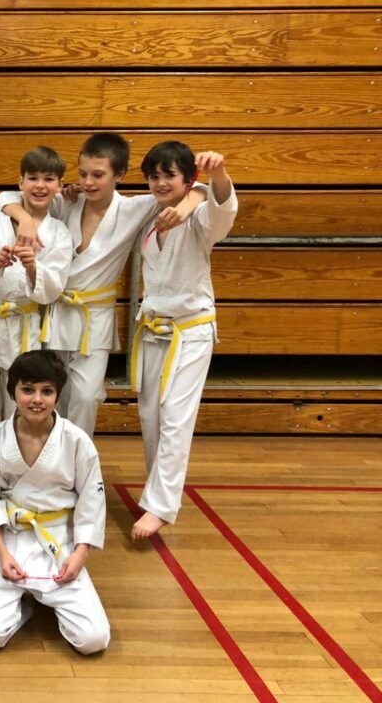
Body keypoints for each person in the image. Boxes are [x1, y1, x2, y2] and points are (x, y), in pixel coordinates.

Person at [0, 133, 203, 437]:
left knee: (86, 397)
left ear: (119, 174)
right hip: (53, 314)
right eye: (82, 174)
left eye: (98, 175)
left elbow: (199, 189)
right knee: (52, 396)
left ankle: (78, 462)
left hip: (94, 319)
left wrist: (187, 206)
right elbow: (5, 197)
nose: (88, 182)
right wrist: (24, 219)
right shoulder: (67, 203)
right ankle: (47, 459)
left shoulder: (135, 208)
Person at [130, 143, 237, 541]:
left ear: (187, 179)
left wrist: (216, 176)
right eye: (154, 176)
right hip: (153, 329)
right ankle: (155, 491)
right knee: (151, 417)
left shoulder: (199, 220)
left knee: (176, 417)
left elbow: (221, 208)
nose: (160, 183)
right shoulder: (149, 214)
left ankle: (160, 507)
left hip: (190, 331)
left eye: (169, 176)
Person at [0, 350, 109, 654]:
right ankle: (25, 606)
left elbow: (92, 501)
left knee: (93, 639)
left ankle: (46, 597)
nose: (37, 399)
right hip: (13, 536)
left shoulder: (76, 440)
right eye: (28, 389)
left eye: (47, 391)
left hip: (58, 539)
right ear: (13, 392)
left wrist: (81, 554)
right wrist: (1, 553)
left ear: (58, 394)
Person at [0, 146, 72, 482]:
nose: (40, 185)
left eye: (48, 179)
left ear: (59, 185)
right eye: (32, 178)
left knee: (19, 413)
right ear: (20, 182)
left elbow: (53, 289)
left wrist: (34, 268)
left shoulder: (59, 233)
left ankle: (15, 482)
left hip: (24, 328)